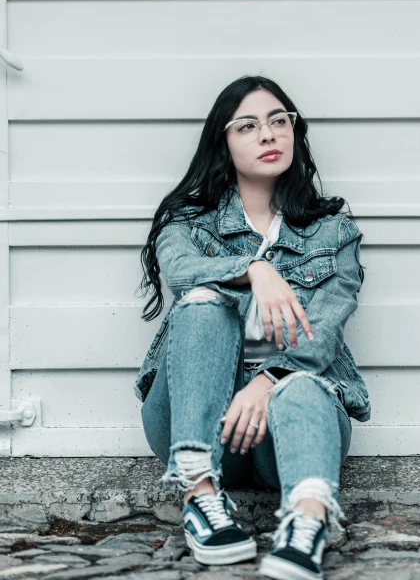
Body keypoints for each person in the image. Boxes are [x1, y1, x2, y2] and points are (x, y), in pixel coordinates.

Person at [135, 75, 371, 580]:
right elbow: (179, 270)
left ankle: (306, 528)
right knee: (203, 302)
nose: (268, 135)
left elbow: (324, 330)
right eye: (248, 126)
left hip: (281, 428)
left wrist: (267, 381)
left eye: (278, 121)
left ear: (293, 133)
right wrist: (253, 269)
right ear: (223, 143)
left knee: (305, 384)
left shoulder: (334, 231)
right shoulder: (188, 222)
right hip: (193, 419)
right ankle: (199, 493)